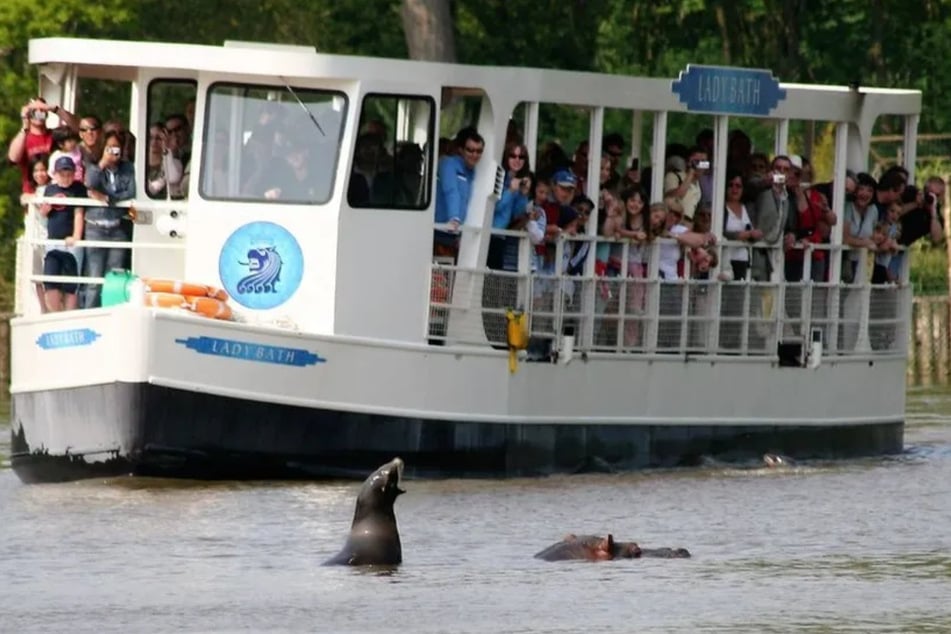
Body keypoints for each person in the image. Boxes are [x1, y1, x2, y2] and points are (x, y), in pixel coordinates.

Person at [84, 130, 136, 308]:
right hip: (95, 228)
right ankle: (89, 315)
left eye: (116, 148)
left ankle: (111, 312)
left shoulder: (128, 167)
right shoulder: (93, 164)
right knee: (94, 279)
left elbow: (131, 192)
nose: (113, 152)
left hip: (117, 229)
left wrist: (106, 197)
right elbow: (89, 183)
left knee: (113, 277)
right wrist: (102, 164)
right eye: (109, 148)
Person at [38, 156, 85, 312]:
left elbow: (79, 212)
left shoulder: (78, 188)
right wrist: (45, 210)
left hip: (70, 243)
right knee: (51, 279)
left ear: (74, 173)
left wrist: (76, 236)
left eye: (69, 173)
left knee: (71, 283)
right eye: (62, 174)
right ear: (56, 174)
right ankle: (55, 315)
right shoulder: (50, 189)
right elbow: (43, 213)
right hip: (53, 241)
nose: (66, 177)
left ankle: (68, 315)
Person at [433, 127, 484, 260]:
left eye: (479, 151)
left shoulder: (472, 172)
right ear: (461, 150)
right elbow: (451, 191)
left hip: (457, 234)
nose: (474, 155)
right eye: (470, 150)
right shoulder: (448, 163)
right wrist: (454, 217)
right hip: (441, 230)